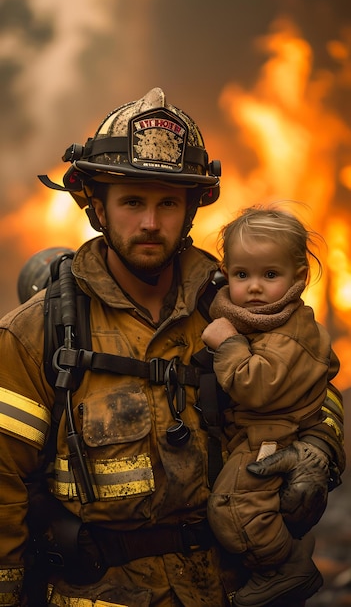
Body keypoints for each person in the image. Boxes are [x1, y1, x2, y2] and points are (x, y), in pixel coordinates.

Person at [0, 88, 345, 607]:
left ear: (189, 209)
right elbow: (2, 494)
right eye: (133, 201)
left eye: (167, 202)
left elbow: (314, 388)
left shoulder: (242, 305)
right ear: (97, 205)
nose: (150, 223)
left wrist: (320, 449)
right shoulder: (37, 334)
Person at [201, 205, 342, 607]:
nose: (255, 287)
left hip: (270, 439)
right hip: (251, 433)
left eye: (270, 275)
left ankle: (284, 567)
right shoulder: (258, 317)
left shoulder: (288, 332)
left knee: (233, 506)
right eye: (243, 275)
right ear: (226, 272)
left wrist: (229, 343)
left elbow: (257, 386)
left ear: (299, 277)